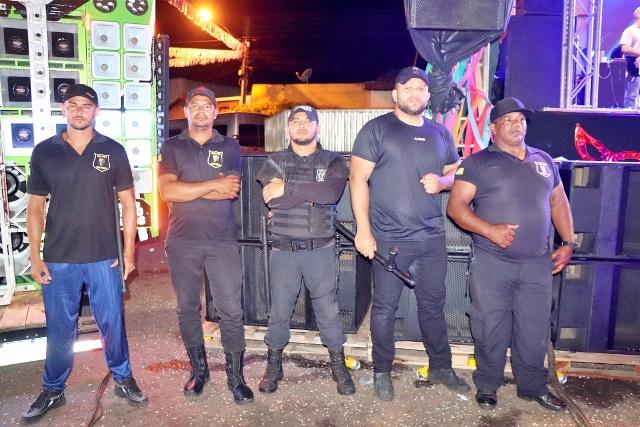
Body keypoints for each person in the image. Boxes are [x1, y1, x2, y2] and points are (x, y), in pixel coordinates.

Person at [24, 84, 147, 422]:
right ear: (63, 109)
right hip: (59, 257)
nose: (79, 111)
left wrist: (128, 251)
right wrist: (35, 256)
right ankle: (53, 389)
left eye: (86, 105)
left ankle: (123, 379)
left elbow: (128, 204)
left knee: (112, 323)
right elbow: (35, 207)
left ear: (96, 111)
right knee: (60, 328)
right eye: (73, 104)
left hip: (104, 256)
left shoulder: (113, 150)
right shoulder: (44, 152)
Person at [447, 97, 575, 411]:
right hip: (493, 263)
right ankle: (488, 385)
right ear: (493, 128)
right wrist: (490, 230)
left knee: (534, 329)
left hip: (537, 264)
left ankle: (532, 387)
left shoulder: (544, 160)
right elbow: (456, 207)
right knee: (489, 327)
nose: (517, 125)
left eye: (521, 120)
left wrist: (568, 243)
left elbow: (558, 203)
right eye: (508, 120)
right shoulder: (477, 163)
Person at [350, 66, 469, 401]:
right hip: (390, 239)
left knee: (433, 305)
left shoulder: (440, 133)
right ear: (395, 93)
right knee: (385, 308)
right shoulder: (377, 129)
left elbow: (455, 172)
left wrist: (442, 182)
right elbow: (357, 179)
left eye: (421, 88)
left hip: (432, 238)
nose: (415, 93)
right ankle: (382, 371)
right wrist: (363, 231)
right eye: (408, 87)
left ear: (428, 95)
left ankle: (441, 366)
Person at [157, 86, 253, 404]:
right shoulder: (172, 146)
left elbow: (231, 190)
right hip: (182, 241)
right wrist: (213, 184)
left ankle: (236, 376)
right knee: (187, 308)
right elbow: (168, 192)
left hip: (221, 241)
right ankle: (199, 371)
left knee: (231, 310)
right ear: (186, 111)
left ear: (215, 111)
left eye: (207, 105)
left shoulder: (229, 146)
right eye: (194, 105)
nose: (201, 110)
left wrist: (187, 188)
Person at [256, 105, 356, 396]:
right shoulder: (275, 161)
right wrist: (310, 193)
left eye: (308, 120)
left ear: (317, 127)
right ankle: (274, 366)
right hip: (283, 251)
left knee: (328, 311)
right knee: (279, 311)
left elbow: (330, 194)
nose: (302, 125)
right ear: (288, 128)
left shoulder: (333, 161)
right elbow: (274, 201)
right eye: (296, 121)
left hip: (320, 251)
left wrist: (287, 187)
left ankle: (338, 366)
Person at [621, 7, 640, 109]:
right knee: (632, 95)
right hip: (635, 65)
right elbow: (624, 48)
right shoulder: (630, 31)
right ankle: (630, 114)